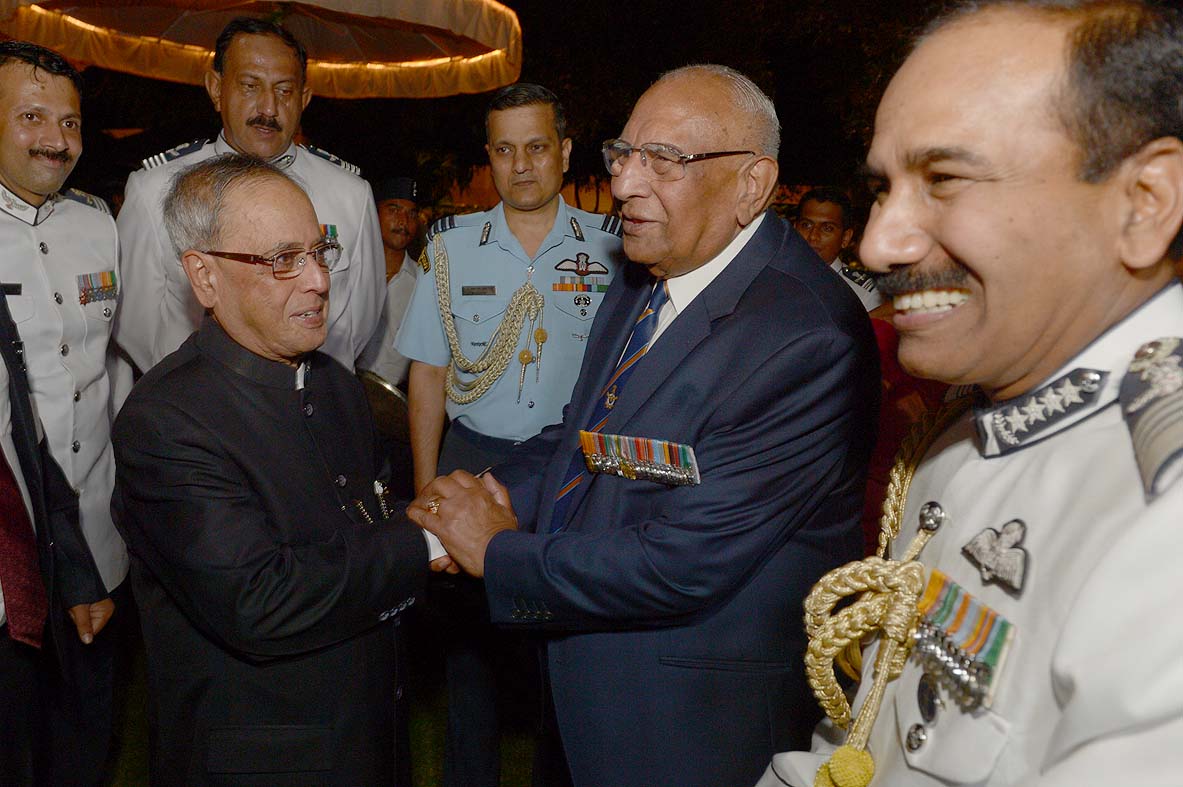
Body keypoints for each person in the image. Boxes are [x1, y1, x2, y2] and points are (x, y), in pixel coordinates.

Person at [411, 64, 879, 787]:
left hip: (689, 724)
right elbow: (581, 441)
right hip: (588, 684)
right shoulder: (646, 272)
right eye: (622, 154)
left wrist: (497, 549)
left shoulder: (804, 336)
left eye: (664, 159)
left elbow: (682, 561)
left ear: (752, 185)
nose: (627, 182)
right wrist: (489, 488)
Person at [758, 1, 1183, 785]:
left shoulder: (1161, 511)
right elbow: (872, 730)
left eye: (944, 179)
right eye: (884, 188)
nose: (879, 242)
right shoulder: (966, 423)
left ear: (1145, 201)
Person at [111, 155, 431, 785]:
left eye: (319, 251)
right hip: (264, 760)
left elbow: (369, 521)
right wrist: (430, 540)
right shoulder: (167, 421)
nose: (317, 281)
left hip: (371, 737)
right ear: (204, 276)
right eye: (282, 259)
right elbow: (260, 602)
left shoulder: (338, 384)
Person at [394, 82, 623, 787]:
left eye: (535, 147)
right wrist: (429, 485)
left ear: (564, 151)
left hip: (568, 470)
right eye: (503, 150)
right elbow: (427, 377)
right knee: (469, 656)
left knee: (567, 647)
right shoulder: (453, 247)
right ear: (488, 158)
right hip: (472, 462)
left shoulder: (614, 249)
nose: (520, 165)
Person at [114, 16, 383, 374]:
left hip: (307, 407)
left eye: (285, 91)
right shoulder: (153, 191)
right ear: (215, 88)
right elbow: (134, 325)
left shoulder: (351, 196)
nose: (268, 109)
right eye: (250, 86)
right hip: (198, 410)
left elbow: (359, 323)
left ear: (304, 99)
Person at [0, 40, 123, 784]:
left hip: (97, 541)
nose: (56, 139)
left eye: (70, 122)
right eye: (31, 116)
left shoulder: (98, 222)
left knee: (84, 743)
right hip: (11, 546)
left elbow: (123, 363)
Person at [357, 175, 420, 388]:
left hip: (390, 401)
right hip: (343, 388)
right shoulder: (352, 269)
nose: (404, 222)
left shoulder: (423, 284)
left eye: (412, 214)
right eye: (394, 210)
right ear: (374, 213)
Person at [794, 186, 884, 311]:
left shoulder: (862, 293)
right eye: (806, 225)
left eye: (827, 228)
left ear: (845, 238)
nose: (813, 236)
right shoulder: (772, 277)